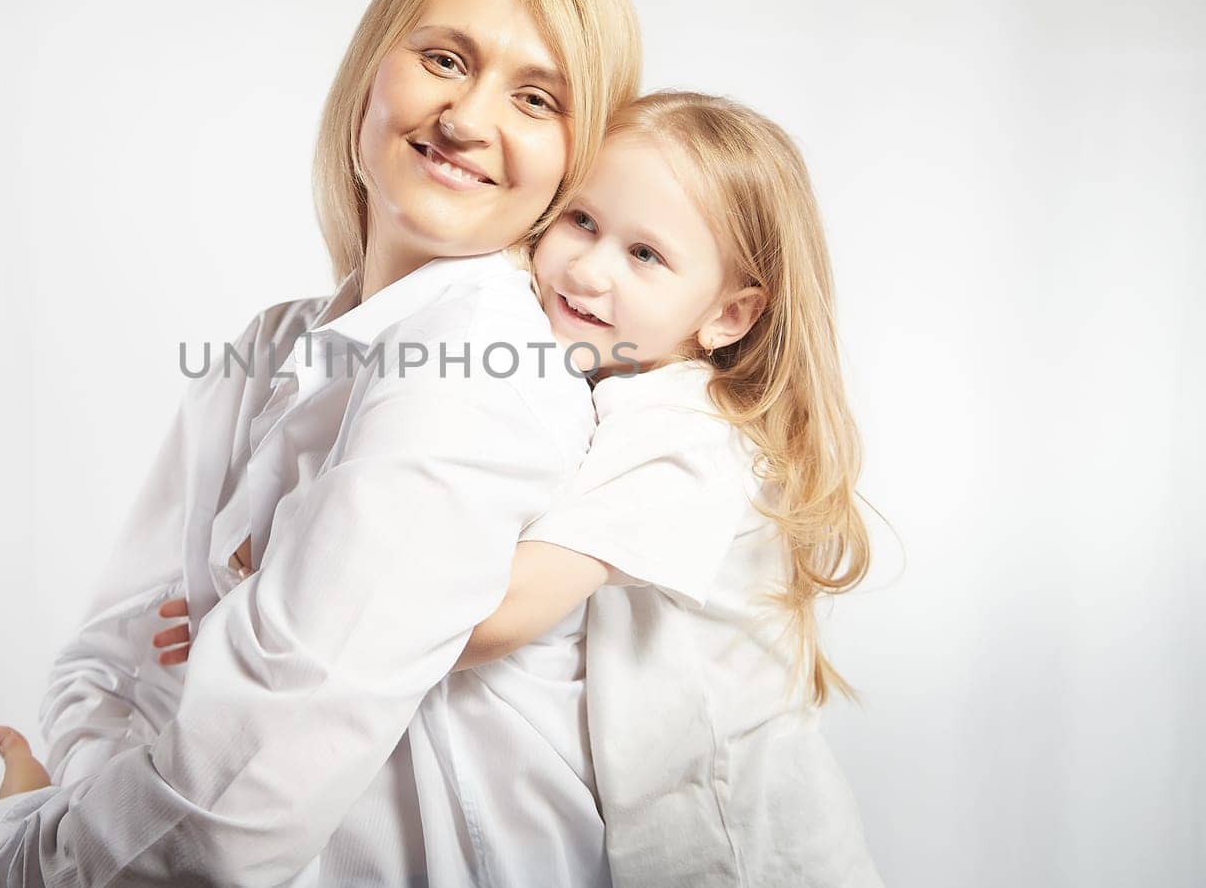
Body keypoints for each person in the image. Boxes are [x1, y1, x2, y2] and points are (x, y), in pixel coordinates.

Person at [0, 0, 642, 887]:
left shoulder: (476, 375)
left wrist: (25, 844)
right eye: (443, 58)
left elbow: (226, 821)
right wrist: (84, 797)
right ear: (372, 71)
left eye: (535, 98)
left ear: (574, 161)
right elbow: (114, 657)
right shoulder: (269, 348)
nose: (465, 116)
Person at [157, 91, 883, 886]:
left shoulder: (691, 436)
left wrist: (290, 609)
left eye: (646, 256)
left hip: (742, 847)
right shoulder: (591, 375)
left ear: (730, 315)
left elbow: (498, 615)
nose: (589, 268)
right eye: (581, 221)